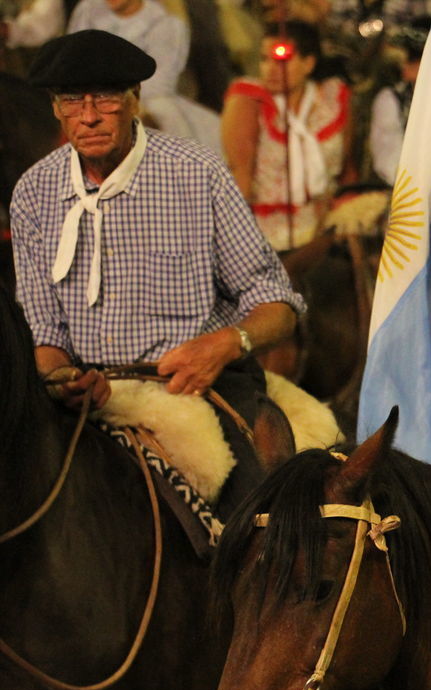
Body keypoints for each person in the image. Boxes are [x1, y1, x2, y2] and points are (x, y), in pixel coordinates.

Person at [10, 30, 304, 510]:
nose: (88, 116)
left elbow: (276, 302)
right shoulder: (34, 193)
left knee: (260, 522)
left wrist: (226, 343)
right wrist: (62, 379)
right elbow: (44, 331)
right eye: (72, 101)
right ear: (55, 109)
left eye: (104, 98)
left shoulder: (196, 173)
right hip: (92, 393)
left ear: (135, 98)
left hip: (200, 390)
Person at [221, 19, 350, 252]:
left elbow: (347, 169)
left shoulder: (332, 98)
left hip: (325, 226)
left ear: (308, 63)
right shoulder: (248, 100)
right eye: (264, 59)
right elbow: (240, 176)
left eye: (281, 61)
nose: (270, 69)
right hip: (265, 234)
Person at [66, 0, 222, 152]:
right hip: (90, 91)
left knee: (162, 111)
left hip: (145, 96)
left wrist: (115, 94)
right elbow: (73, 58)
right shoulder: (88, 9)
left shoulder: (165, 23)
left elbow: (161, 81)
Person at [368, 18, 428, 187]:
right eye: (405, 54)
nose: (404, 61)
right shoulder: (391, 100)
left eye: (414, 56)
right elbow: (388, 162)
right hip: (408, 195)